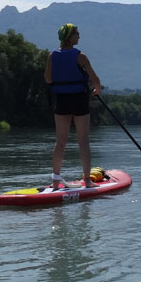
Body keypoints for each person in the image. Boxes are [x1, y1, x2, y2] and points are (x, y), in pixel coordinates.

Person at [45, 23, 102, 189]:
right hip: (79, 100)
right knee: (83, 141)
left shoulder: (52, 56)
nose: (79, 36)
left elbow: (48, 79)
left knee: (60, 142)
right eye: (77, 33)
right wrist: (96, 90)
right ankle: (88, 182)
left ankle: (56, 181)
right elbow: (95, 80)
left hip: (62, 100)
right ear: (70, 37)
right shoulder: (80, 56)